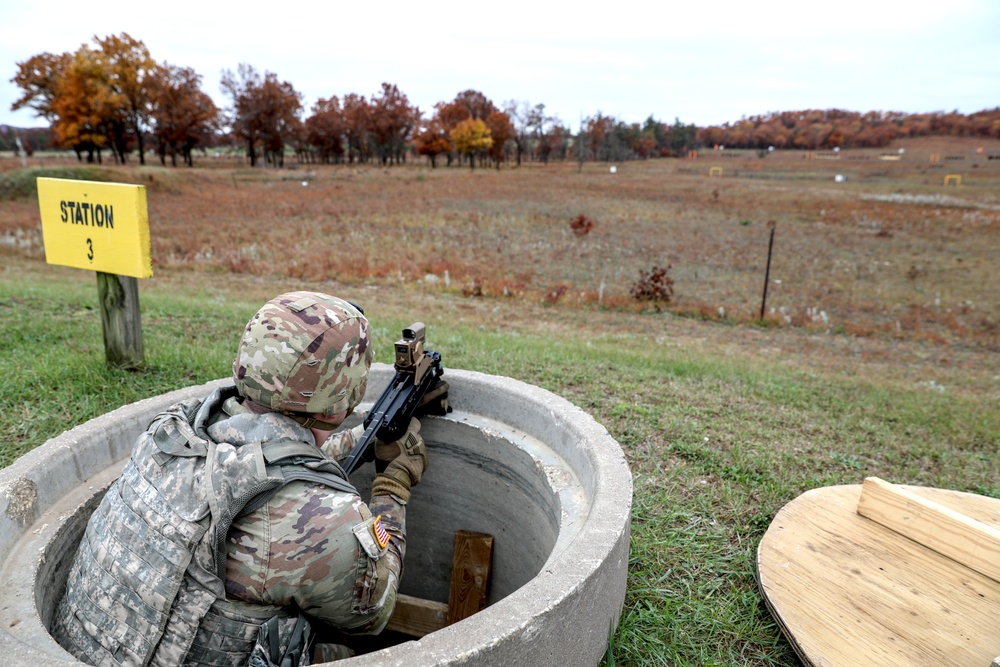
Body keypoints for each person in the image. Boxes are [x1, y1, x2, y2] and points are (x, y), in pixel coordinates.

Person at [52, 291, 428, 667]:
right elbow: (373, 612)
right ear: (343, 395)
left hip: (85, 649)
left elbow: (257, 460)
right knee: (337, 652)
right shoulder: (322, 522)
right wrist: (393, 484)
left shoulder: (173, 433)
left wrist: (357, 439)